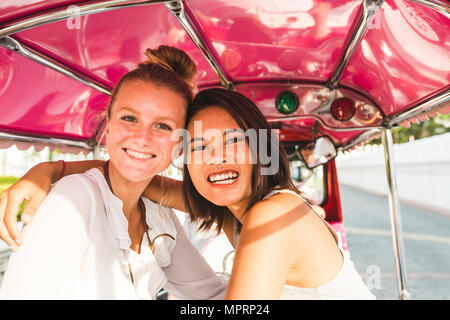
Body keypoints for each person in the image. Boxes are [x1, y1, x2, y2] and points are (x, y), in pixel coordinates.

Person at [0, 88, 375, 300]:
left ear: (262, 150)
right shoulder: (233, 209)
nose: (216, 159)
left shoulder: (272, 214)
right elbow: (138, 175)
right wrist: (48, 171)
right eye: (199, 147)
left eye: (233, 141)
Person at [0, 46, 227, 299]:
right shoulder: (73, 199)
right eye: (130, 118)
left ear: (181, 144)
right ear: (108, 126)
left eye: (162, 126)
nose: (142, 138)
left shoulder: (158, 214)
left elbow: (211, 295)